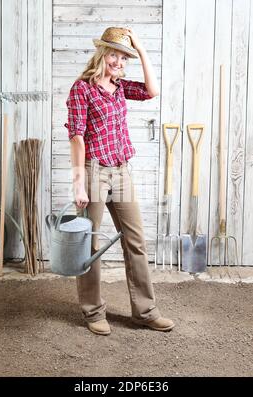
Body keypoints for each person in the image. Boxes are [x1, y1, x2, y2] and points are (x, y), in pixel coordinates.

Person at [65, 27, 175, 335]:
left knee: (135, 240)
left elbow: (152, 90)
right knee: (90, 243)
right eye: (114, 54)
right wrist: (78, 183)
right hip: (93, 170)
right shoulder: (82, 89)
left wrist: (140, 47)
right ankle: (92, 311)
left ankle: (145, 311)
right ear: (102, 54)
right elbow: (76, 137)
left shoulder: (121, 86)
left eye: (124, 57)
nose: (119, 61)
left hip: (121, 170)